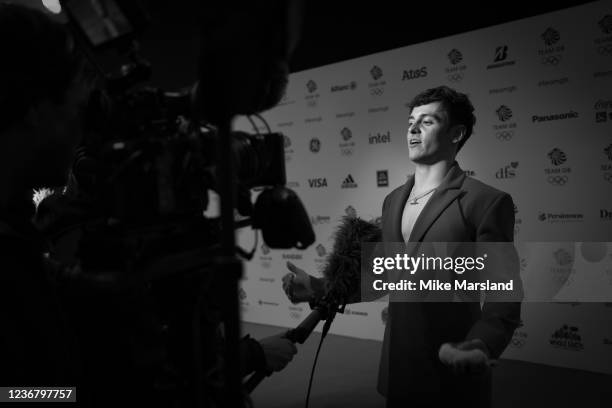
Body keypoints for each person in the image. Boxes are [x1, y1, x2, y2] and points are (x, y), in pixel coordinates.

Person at [0, 4, 296, 406]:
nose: (81, 126)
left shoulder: (22, 237)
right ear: (36, 110)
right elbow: (19, 395)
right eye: (76, 103)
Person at [282, 85, 522, 407]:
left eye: (427, 121)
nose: (413, 128)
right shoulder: (392, 201)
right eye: (411, 120)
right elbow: (383, 277)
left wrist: (480, 344)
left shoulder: (486, 202)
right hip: (399, 370)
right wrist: (316, 286)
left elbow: (503, 292)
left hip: (455, 369)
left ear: (456, 134)